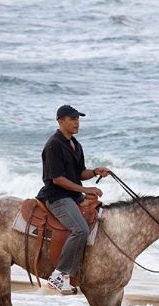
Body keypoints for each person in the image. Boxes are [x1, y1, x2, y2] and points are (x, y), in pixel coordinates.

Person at [37, 105, 110, 295]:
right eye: (72, 119)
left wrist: (95, 172)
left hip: (73, 195)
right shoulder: (53, 145)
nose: (77, 122)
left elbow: (79, 173)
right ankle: (59, 275)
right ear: (60, 121)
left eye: (78, 119)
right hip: (57, 196)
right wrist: (85, 189)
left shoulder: (75, 144)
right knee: (81, 229)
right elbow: (58, 179)